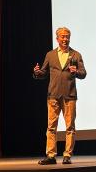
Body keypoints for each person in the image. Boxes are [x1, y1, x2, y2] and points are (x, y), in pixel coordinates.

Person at [33, 27, 87, 165]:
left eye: (67, 36)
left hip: (69, 95)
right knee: (51, 127)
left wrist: (76, 72)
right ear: (57, 38)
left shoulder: (76, 55)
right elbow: (44, 73)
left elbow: (83, 73)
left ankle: (67, 155)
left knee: (70, 127)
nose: (65, 39)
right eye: (62, 36)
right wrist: (37, 72)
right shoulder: (50, 55)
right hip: (53, 95)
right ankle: (51, 156)